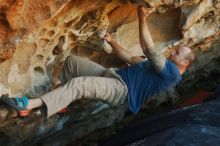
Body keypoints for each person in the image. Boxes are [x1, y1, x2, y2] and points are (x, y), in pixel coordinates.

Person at [0, 6, 195, 118]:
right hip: (113, 76)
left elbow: (149, 49)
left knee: (79, 85)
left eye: (177, 53)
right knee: (71, 63)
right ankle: (56, 102)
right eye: (175, 50)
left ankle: (28, 105)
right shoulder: (160, 67)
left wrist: (141, 17)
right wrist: (112, 42)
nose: (172, 53)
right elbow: (128, 57)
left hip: (122, 91)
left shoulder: (172, 74)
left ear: (184, 64)